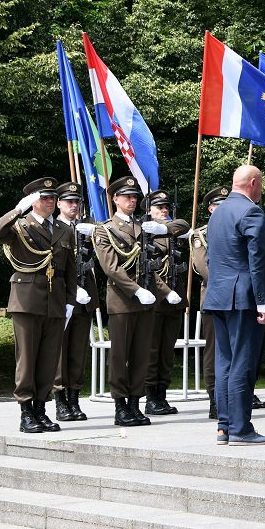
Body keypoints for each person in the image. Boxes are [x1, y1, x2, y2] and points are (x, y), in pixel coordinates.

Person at [94, 175, 187, 427]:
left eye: (134, 196)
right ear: (115, 199)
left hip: (146, 301)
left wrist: (164, 291)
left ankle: (135, 403)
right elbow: (112, 268)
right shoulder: (104, 229)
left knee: (141, 356)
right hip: (123, 301)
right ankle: (120, 406)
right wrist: (136, 290)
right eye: (127, 196)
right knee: (121, 355)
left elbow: (149, 267)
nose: (132, 200)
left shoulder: (143, 227)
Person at [0, 177, 79, 433]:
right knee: (27, 359)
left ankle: (41, 408)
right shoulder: (19, 226)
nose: (49, 202)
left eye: (52, 198)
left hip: (56, 301)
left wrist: (70, 301)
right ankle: (26, 411)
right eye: (44, 197)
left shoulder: (64, 229)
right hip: (27, 300)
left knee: (49, 360)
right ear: (33, 201)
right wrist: (18, 210)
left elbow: (69, 271)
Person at [203, 164, 265, 446]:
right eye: (262, 184)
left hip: (218, 295)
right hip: (243, 298)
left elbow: (211, 260)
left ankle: (223, 426)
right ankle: (240, 427)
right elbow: (258, 263)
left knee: (224, 363)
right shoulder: (252, 212)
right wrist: (263, 301)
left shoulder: (217, 213)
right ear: (254, 183)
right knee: (243, 363)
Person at [53, 182, 97, 421]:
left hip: (85, 298)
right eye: (69, 201)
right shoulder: (55, 228)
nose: (74, 205)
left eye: (77, 201)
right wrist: (71, 290)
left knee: (78, 352)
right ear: (59, 203)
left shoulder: (87, 228)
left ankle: (74, 400)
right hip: (63, 299)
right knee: (61, 351)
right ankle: (60, 400)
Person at [143, 189, 190, 416]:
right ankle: (151, 397)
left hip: (175, 301)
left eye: (165, 207)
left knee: (167, 352)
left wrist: (165, 228)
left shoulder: (169, 229)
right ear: (148, 211)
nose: (163, 211)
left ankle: (162, 394)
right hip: (154, 300)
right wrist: (165, 290)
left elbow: (185, 224)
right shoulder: (145, 232)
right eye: (158, 207)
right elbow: (149, 270)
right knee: (152, 350)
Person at [191, 185, 229, 419]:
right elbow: (202, 266)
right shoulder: (201, 234)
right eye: (219, 206)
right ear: (211, 208)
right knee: (214, 351)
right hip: (214, 298)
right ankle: (215, 398)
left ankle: (233, 396)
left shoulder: (236, 228)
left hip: (236, 300)